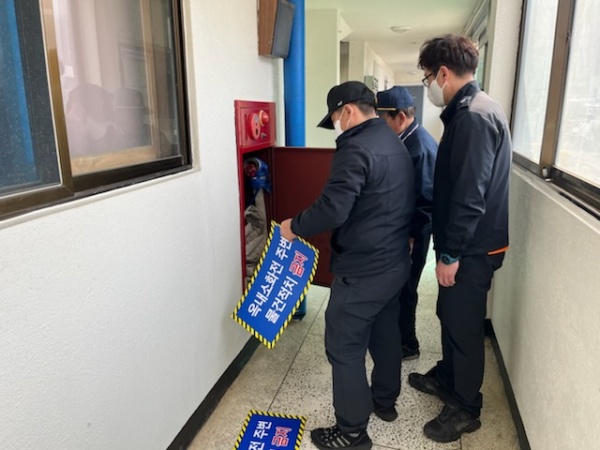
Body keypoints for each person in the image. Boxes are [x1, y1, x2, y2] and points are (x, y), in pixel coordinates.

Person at [280, 81, 414, 450]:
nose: (337, 125)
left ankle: (352, 432)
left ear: (349, 111)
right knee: (385, 334)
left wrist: (294, 226)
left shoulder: (355, 148)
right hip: (393, 263)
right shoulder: (393, 141)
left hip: (362, 270)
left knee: (344, 347)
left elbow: (333, 208)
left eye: (336, 117)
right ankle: (384, 401)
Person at [407, 34, 512, 443]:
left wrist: (450, 255)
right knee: (450, 314)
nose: (429, 85)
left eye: (428, 77)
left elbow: (470, 194)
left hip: (471, 248)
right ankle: (448, 379)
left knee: (464, 326)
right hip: (469, 243)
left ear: (443, 73)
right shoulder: (475, 108)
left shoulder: (472, 117)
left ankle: (466, 407)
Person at [376, 86, 438, 361]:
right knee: (398, 286)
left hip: (415, 232)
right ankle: (397, 336)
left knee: (406, 287)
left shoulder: (419, 146)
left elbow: (426, 200)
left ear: (400, 117)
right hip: (403, 229)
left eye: (382, 120)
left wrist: (411, 237)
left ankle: (408, 344)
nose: (380, 126)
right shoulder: (408, 139)